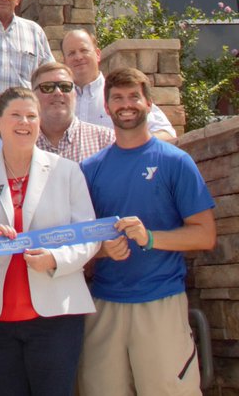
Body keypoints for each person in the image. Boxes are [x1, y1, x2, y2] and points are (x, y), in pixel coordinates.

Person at [78, 67, 217, 396]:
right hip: (103, 305)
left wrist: (151, 237)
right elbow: (80, 242)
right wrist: (101, 250)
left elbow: (204, 235)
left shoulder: (175, 162)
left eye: (133, 97)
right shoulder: (89, 169)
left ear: (149, 104)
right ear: (107, 106)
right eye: (118, 98)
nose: (126, 104)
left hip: (161, 302)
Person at [0, 86, 98, 396]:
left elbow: (88, 234)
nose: (24, 122)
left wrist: (55, 259)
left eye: (31, 116)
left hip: (57, 314)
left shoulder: (68, 171)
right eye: (16, 115)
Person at [61, 29, 177, 140]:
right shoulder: (57, 99)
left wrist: (130, 149)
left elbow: (166, 133)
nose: (78, 57)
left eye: (84, 50)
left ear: (97, 54)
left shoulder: (119, 92)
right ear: (64, 60)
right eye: (71, 53)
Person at [31, 59, 115, 162]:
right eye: (47, 87)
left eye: (65, 86)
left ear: (75, 93)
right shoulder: (18, 144)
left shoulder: (105, 141)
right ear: (33, 96)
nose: (58, 92)